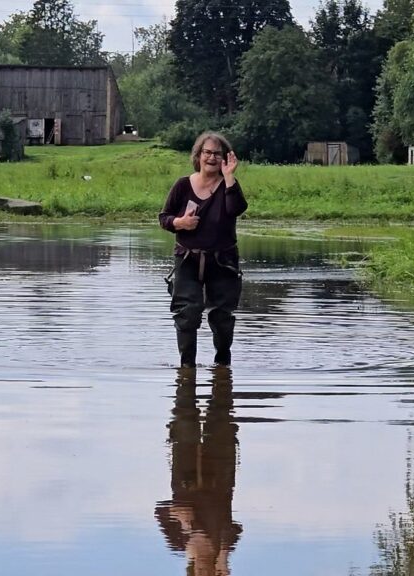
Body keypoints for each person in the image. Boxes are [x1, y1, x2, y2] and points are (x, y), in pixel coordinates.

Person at [159, 132, 248, 367]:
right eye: (206, 152)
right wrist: (180, 223)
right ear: (198, 156)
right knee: (187, 313)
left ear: (225, 158)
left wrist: (229, 178)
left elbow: (236, 209)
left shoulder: (230, 186)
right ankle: (187, 368)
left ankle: (222, 364)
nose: (211, 157)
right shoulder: (182, 185)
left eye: (216, 153)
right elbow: (164, 217)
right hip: (188, 260)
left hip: (223, 261)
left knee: (221, 317)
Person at [155, 366, 241, 576]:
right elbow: (236, 528)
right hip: (221, 471)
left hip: (185, 470)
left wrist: (182, 517)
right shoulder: (224, 542)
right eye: (210, 574)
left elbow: (160, 511)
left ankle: (189, 375)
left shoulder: (178, 542)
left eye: (201, 574)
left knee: (184, 414)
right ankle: (215, 372)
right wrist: (222, 557)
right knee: (221, 411)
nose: (206, 571)